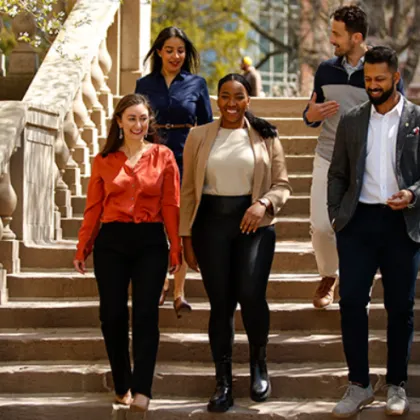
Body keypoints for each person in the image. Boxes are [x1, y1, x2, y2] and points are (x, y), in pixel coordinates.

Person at [180, 73, 292, 412]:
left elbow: (283, 184)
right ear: (217, 99)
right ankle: (223, 381)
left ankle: (259, 363)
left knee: (251, 294)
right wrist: (186, 238)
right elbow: (187, 192)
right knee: (221, 303)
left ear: (248, 99)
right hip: (210, 225)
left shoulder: (266, 136)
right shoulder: (198, 136)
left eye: (238, 96)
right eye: (225, 96)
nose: (231, 103)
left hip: (253, 225)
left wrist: (264, 204)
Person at [73, 94, 181, 412]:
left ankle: (143, 387)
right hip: (112, 242)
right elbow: (93, 208)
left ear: (150, 122)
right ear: (119, 121)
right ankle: (122, 383)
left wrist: (175, 247)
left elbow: (171, 206)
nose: (138, 124)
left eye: (143, 118)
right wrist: (83, 245)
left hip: (150, 241)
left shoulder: (163, 156)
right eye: (131, 118)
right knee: (113, 314)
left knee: (146, 314)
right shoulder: (104, 160)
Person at [328, 46, 420, 418]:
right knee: (351, 303)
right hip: (358, 223)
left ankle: (396, 384)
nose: (373, 85)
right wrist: (337, 217)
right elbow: (337, 173)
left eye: (380, 79)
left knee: (399, 308)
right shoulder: (352, 119)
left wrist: (412, 194)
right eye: (367, 79)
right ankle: (359, 385)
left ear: (396, 77)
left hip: (403, 224)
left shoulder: (416, 118)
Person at [303, 5, 404, 309]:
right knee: (321, 226)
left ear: (356, 37)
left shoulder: (380, 70)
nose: (331, 38)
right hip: (327, 155)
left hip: (366, 159)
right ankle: (327, 275)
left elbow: (399, 112)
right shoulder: (325, 70)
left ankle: (357, 276)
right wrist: (310, 115)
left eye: (336, 33)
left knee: (359, 225)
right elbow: (312, 113)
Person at [135, 26, 212, 317]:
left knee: (180, 226)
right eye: (169, 50)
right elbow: (136, 123)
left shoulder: (197, 84)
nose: (175, 56)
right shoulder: (144, 84)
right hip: (151, 158)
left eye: (180, 50)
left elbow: (207, 128)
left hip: (186, 158)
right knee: (155, 223)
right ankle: (159, 284)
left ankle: (179, 292)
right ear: (159, 52)